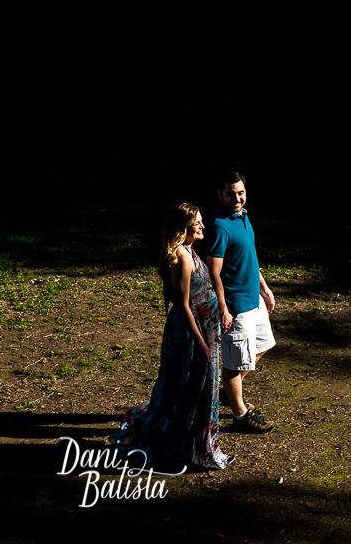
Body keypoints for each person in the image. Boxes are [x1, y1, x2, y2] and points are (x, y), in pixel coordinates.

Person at [110, 202, 233, 472]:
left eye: (201, 221)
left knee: (199, 388)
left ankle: (194, 445)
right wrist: (200, 342)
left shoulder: (190, 249)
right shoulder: (183, 256)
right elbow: (184, 304)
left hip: (206, 329)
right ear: (183, 227)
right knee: (184, 388)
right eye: (197, 222)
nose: (202, 225)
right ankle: (177, 446)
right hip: (191, 334)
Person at [205, 171, 277, 433]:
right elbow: (214, 272)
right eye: (230, 193)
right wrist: (223, 308)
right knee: (234, 365)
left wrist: (263, 286)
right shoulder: (219, 226)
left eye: (240, 193)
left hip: (253, 301)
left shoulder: (243, 218)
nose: (237, 198)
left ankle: (229, 392)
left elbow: (250, 258)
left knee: (264, 345)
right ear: (220, 195)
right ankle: (240, 416)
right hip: (236, 307)